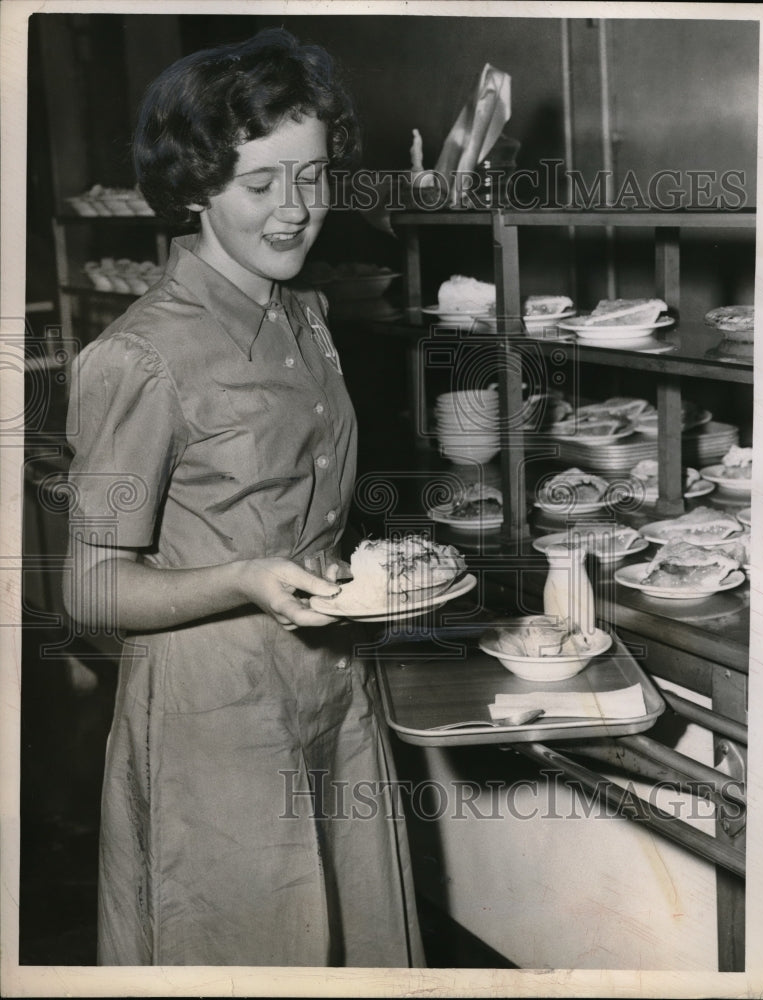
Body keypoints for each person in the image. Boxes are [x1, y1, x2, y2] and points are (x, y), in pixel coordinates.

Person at [63, 29, 424, 968]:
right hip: (211, 723)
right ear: (193, 191)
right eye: (261, 185)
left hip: (330, 688)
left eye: (312, 177)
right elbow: (92, 588)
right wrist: (247, 574)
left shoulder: (304, 312)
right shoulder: (138, 359)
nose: (297, 210)